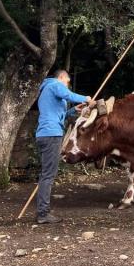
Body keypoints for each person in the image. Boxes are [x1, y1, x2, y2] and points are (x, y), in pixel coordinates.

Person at [35, 69, 90, 223]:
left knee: (46, 174)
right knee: (48, 175)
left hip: (45, 134)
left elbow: (59, 116)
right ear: (61, 77)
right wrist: (86, 99)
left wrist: (73, 110)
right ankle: (43, 214)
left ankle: (42, 211)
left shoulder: (47, 90)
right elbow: (69, 95)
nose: (67, 85)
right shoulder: (54, 84)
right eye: (67, 82)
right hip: (51, 134)